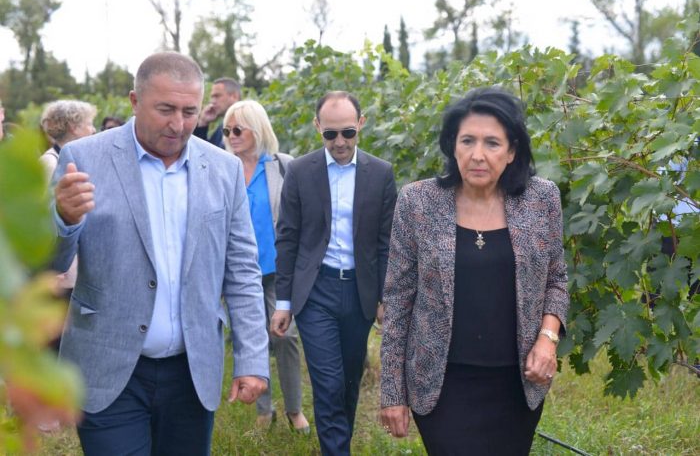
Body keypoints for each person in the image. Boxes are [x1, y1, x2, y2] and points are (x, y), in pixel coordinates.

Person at [51, 51, 269, 456]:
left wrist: (252, 357)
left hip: (191, 373)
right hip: (108, 368)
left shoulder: (223, 169)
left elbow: (242, 270)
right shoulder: (84, 159)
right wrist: (63, 219)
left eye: (189, 111)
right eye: (165, 109)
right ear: (135, 101)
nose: (178, 124)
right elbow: (50, 264)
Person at [379, 87, 570, 455]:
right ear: (453, 145)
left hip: (516, 385)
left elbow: (556, 279)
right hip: (441, 383)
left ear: (512, 151)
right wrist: (392, 392)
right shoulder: (417, 202)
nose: (477, 154)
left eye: (492, 143)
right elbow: (398, 300)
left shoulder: (542, 199)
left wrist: (548, 338)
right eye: (467, 140)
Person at [271, 91, 397, 455]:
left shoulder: (381, 173)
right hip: (316, 291)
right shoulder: (300, 172)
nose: (339, 142)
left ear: (360, 124)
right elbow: (288, 238)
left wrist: (384, 296)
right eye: (330, 134)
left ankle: (338, 443)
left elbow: (386, 242)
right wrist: (283, 302)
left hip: (360, 292)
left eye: (347, 132)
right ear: (317, 127)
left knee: (348, 382)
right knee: (327, 383)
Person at [221, 99, 310, 433]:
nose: (231, 136)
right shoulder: (223, 168)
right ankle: (264, 410)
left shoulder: (282, 166)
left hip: (277, 269)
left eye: (238, 129)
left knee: (285, 336)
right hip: (239, 272)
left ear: (257, 130)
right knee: (251, 337)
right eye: (227, 130)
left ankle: (294, 409)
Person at [39, 100, 97, 331]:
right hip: (59, 275)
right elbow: (41, 217)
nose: (93, 129)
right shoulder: (49, 163)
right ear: (73, 126)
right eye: (89, 124)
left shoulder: (73, 159)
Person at [194, 77, 241, 149]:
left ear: (234, 96)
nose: (212, 101)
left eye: (217, 96)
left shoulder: (245, 123)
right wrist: (203, 123)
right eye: (212, 97)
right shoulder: (224, 125)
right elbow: (206, 152)